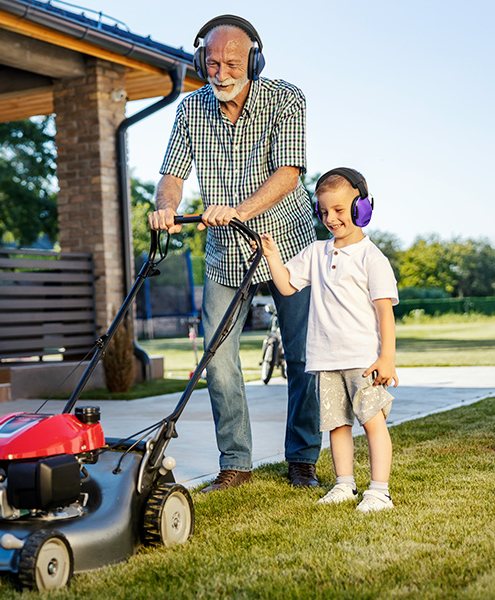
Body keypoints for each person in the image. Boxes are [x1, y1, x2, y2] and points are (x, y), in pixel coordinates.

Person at [149, 15, 320, 492]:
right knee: (218, 356)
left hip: (288, 244)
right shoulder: (190, 110)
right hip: (225, 254)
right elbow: (173, 175)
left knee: (305, 355)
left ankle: (302, 458)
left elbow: (289, 173)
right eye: (212, 62)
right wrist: (165, 206)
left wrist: (238, 211)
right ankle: (236, 464)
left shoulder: (285, 98)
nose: (220, 72)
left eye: (231, 63)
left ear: (254, 62)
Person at [256, 168, 400, 512]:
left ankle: (380, 491)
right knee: (337, 425)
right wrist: (273, 257)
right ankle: (344, 485)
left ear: (361, 207)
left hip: (362, 358)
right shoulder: (317, 252)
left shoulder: (372, 258)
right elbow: (288, 285)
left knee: (372, 422)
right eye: (323, 212)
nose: (331, 218)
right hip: (325, 358)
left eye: (339, 210)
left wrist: (387, 358)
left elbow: (385, 313)